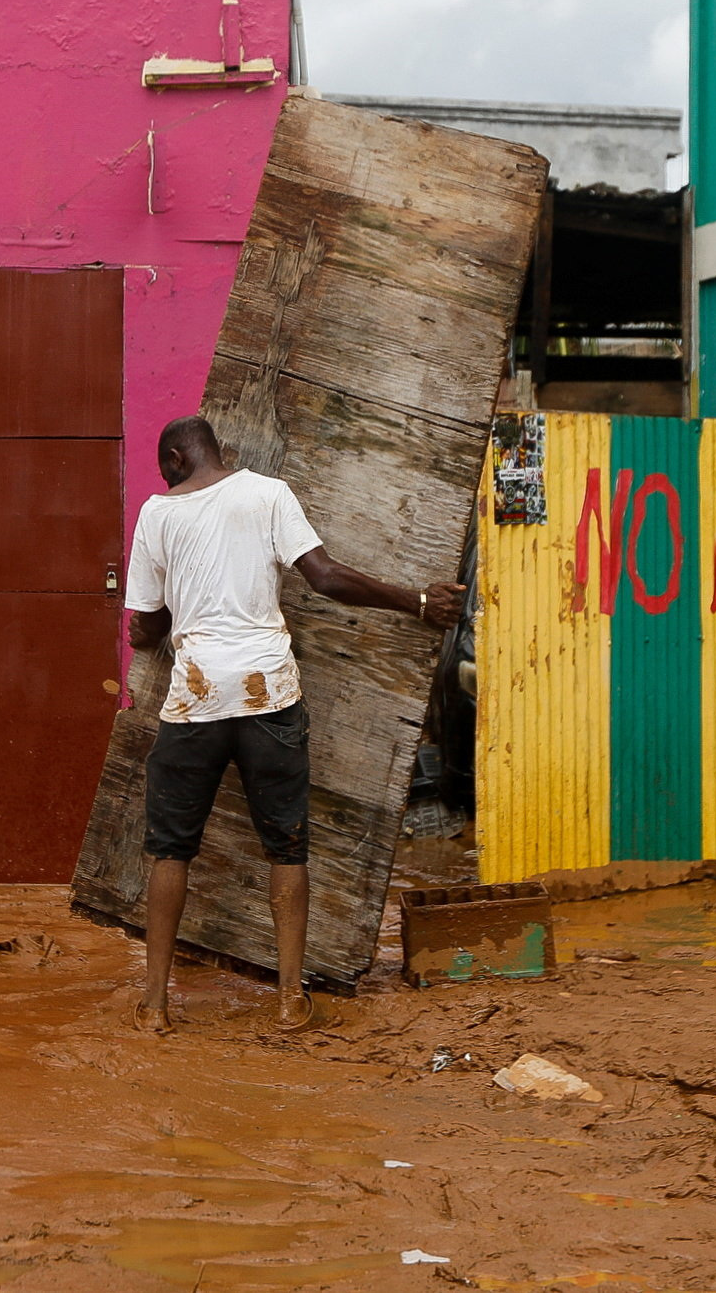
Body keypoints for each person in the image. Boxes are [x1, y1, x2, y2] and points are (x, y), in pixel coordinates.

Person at [123, 413, 465, 1033]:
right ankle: (288, 1001)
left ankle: (154, 1005)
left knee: (170, 850)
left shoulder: (157, 513)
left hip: (196, 702)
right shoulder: (268, 493)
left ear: (174, 459)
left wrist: (144, 634)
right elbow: (327, 577)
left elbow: (148, 621)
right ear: (215, 449)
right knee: (286, 846)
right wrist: (417, 602)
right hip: (270, 696)